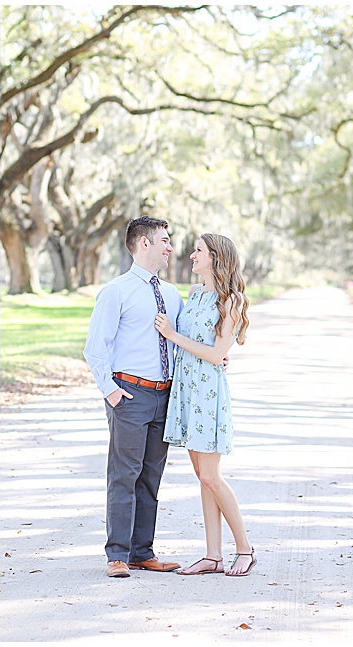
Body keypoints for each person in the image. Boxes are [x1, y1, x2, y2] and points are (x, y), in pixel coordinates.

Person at [84, 216, 184, 578]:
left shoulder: (172, 294)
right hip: (129, 394)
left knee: (151, 477)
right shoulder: (117, 290)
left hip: (164, 396)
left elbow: (182, 342)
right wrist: (111, 393)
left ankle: (143, 551)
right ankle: (117, 555)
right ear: (144, 243)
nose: (170, 247)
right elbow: (96, 348)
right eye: (164, 240)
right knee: (124, 474)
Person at [154, 233, 256, 576]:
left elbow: (216, 353)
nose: (191, 255)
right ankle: (213, 556)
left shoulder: (233, 300)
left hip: (208, 394)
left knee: (211, 474)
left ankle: (245, 548)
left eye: (198, 250)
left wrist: (173, 335)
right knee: (202, 475)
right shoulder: (195, 294)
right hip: (186, 390)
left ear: (215, 257)